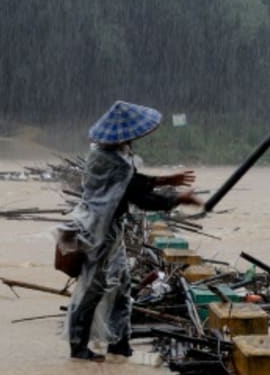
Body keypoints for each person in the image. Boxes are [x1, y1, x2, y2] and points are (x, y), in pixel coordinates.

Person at [60, 101, 200, 361]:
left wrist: (169, 184)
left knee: (122, 286)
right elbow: (139, 195)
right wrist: (177, 196)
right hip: (98, 232)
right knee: (94, 288)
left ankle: (118, 342)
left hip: (109, 229)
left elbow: (132, 183)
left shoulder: (108, 155)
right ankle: (78, 347)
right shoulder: (109, 159)